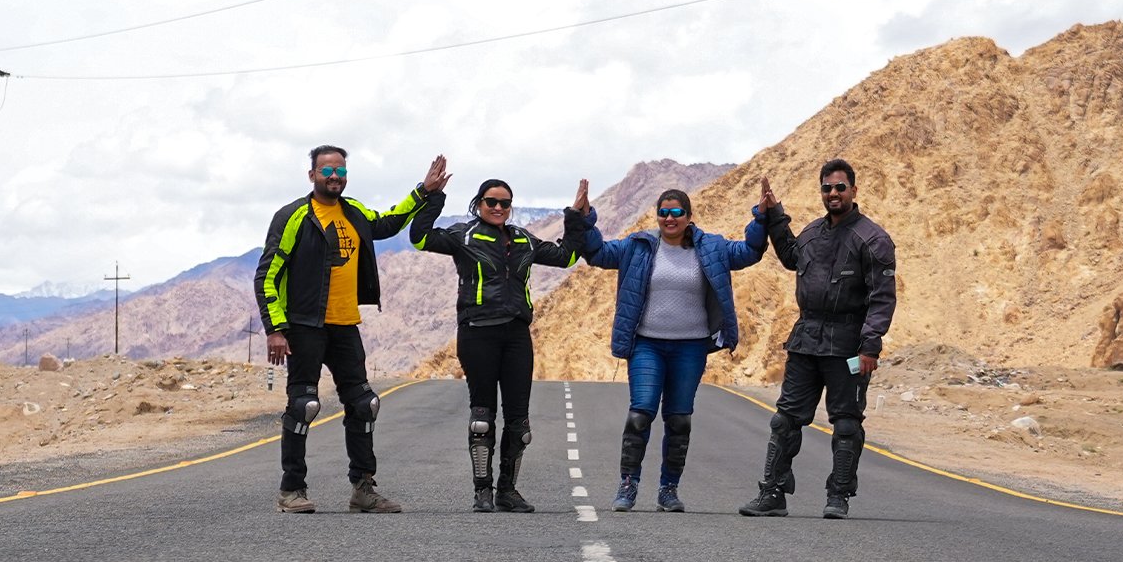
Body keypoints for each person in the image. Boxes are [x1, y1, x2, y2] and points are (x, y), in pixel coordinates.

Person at [255, 145, 445, 514]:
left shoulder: (354, 211)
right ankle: (291, 490)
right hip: (305, 327)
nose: (334, 177)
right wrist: (275, 328)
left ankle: (363, 489)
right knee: (303, 405)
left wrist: (424, 192)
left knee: (364, 404)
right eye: (327, 171)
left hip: (345, 326)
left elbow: (388, 223)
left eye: (340, 171)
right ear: (312, 175)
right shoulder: (293, 216)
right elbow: (267, 274)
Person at [410, 161, 589, 513]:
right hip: (477, 333)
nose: (497, 208)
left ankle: (508, 490)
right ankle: (482, 491)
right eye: (491, 201)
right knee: (482, 415)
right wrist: (432, 195)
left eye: (505, 203)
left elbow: (567, 256)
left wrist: (575, 216)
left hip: (517, 335)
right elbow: (419, 237)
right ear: (479, 204)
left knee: (520, 421)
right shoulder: (463, 236)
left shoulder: (523, 239)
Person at [580, 188, 768, 513]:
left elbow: (750, 251)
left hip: (690, 347)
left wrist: (762, 216)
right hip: (646, 343)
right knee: (641, 413)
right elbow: (596, 253)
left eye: (677, 212)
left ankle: (669, 488)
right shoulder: (637, 246)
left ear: (689, 216)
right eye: (664, 212)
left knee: (679, 419)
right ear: (657, 216)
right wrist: (584, 217)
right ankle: (628, 483)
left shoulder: (711, 248)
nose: (670, 218)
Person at [740, 159, 896, 520]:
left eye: (840, 187)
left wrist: (870, 345)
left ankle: (838, 496)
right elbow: (792, 257)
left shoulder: (873, 239)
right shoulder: (811, 234)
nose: (833, 193)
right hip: (806, 338)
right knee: (785, 420)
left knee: (845, 423)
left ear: (854, 191)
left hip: (849, 345)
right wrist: (775, 214)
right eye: (827, 188)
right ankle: (772, 493)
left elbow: (882, 297)